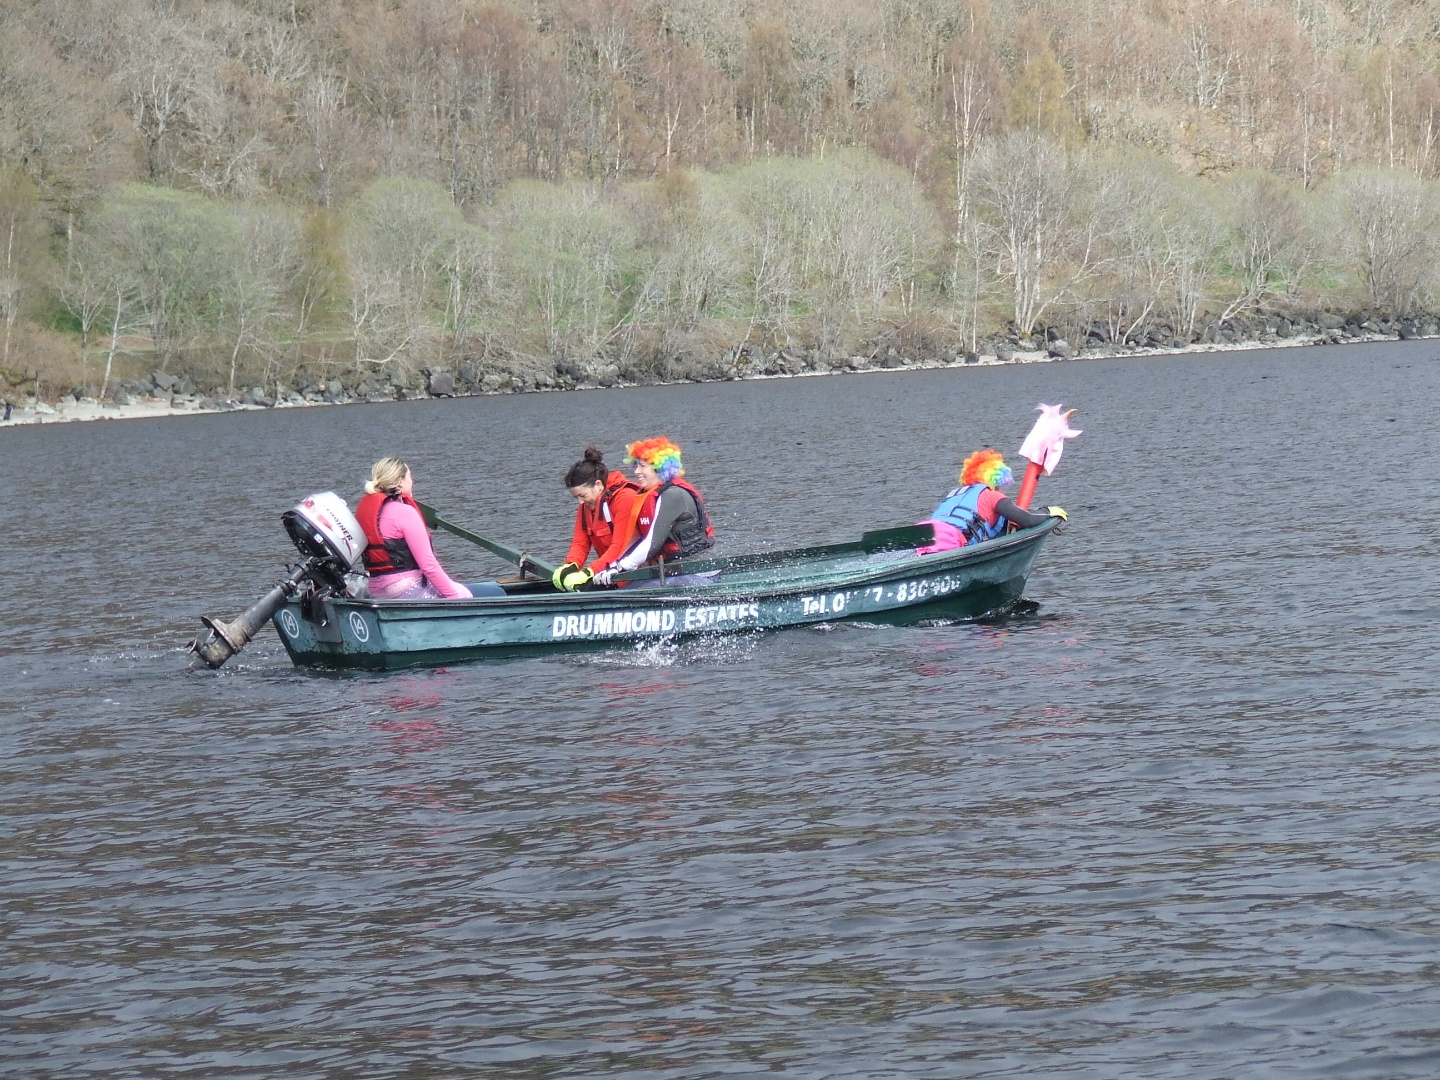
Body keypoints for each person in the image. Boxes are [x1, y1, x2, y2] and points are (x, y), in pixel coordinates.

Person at [589, 437, 714, 586]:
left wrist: (620, 567)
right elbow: (634, 542)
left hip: (697, 572)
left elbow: (651, 544)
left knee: (633, 590)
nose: (636, 471)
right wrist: (609, 567)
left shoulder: (673, 495)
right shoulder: (647, 495)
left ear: (659, 467)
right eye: (635, 465)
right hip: (672, 570)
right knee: (629, 587)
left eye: (642, 466)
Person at [355, 457, 474, 599]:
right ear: (400, 482)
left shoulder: (369, 511)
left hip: (377, 591)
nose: (412, 481)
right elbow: (429, 566)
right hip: (405, 588)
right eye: (409, 477)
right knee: (466, 594)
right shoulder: (404, 512)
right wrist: (455, 597)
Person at [917, 448, 1067, 554]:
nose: (1001, 489)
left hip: (921, 532)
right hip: (948, 539)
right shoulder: (991, 495)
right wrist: (1048, 512)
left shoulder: (954, 494)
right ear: (995, 481)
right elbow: (1026, 518)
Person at [551, 446, 646, 591]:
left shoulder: (625, 498)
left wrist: (589, 572)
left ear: (598, 485)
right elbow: (580, 544)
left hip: (639, 577)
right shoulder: (586, 505)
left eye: (582, 496)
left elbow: (619, 547)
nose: (580, 502)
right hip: (610, 574)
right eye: (576, 497)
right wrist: (570, 566)